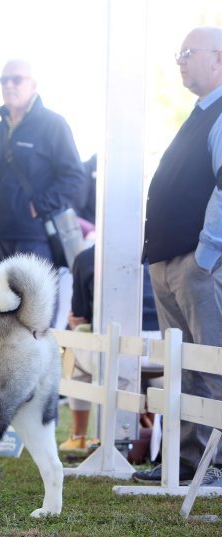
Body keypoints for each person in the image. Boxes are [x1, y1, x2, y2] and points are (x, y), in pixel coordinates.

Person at [135, 26, 222, 487]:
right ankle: (188, 461)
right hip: (170, 260)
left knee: (213, 363)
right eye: (179, 54)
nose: (181, 62)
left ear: (219, 58)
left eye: (188, 53)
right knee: (183, 367)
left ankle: (217, 462)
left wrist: (205, 256)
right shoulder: (199, 113)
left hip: (198, 263)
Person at [0, 60, 85, 272]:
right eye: (4, 80)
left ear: (33, 85)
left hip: (33, 239)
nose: (9, 85)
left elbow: (74, 177)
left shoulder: (52, 124)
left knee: (34, 306)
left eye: (16, 80)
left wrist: (38, 206)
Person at [60, 245, 160, 453]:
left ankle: (78, 436)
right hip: (160, 350)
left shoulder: (87, 258)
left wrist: (75, 322)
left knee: (74, 352)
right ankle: (153, 432)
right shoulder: (160, 250)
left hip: (115, 349)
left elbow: (81, 316)